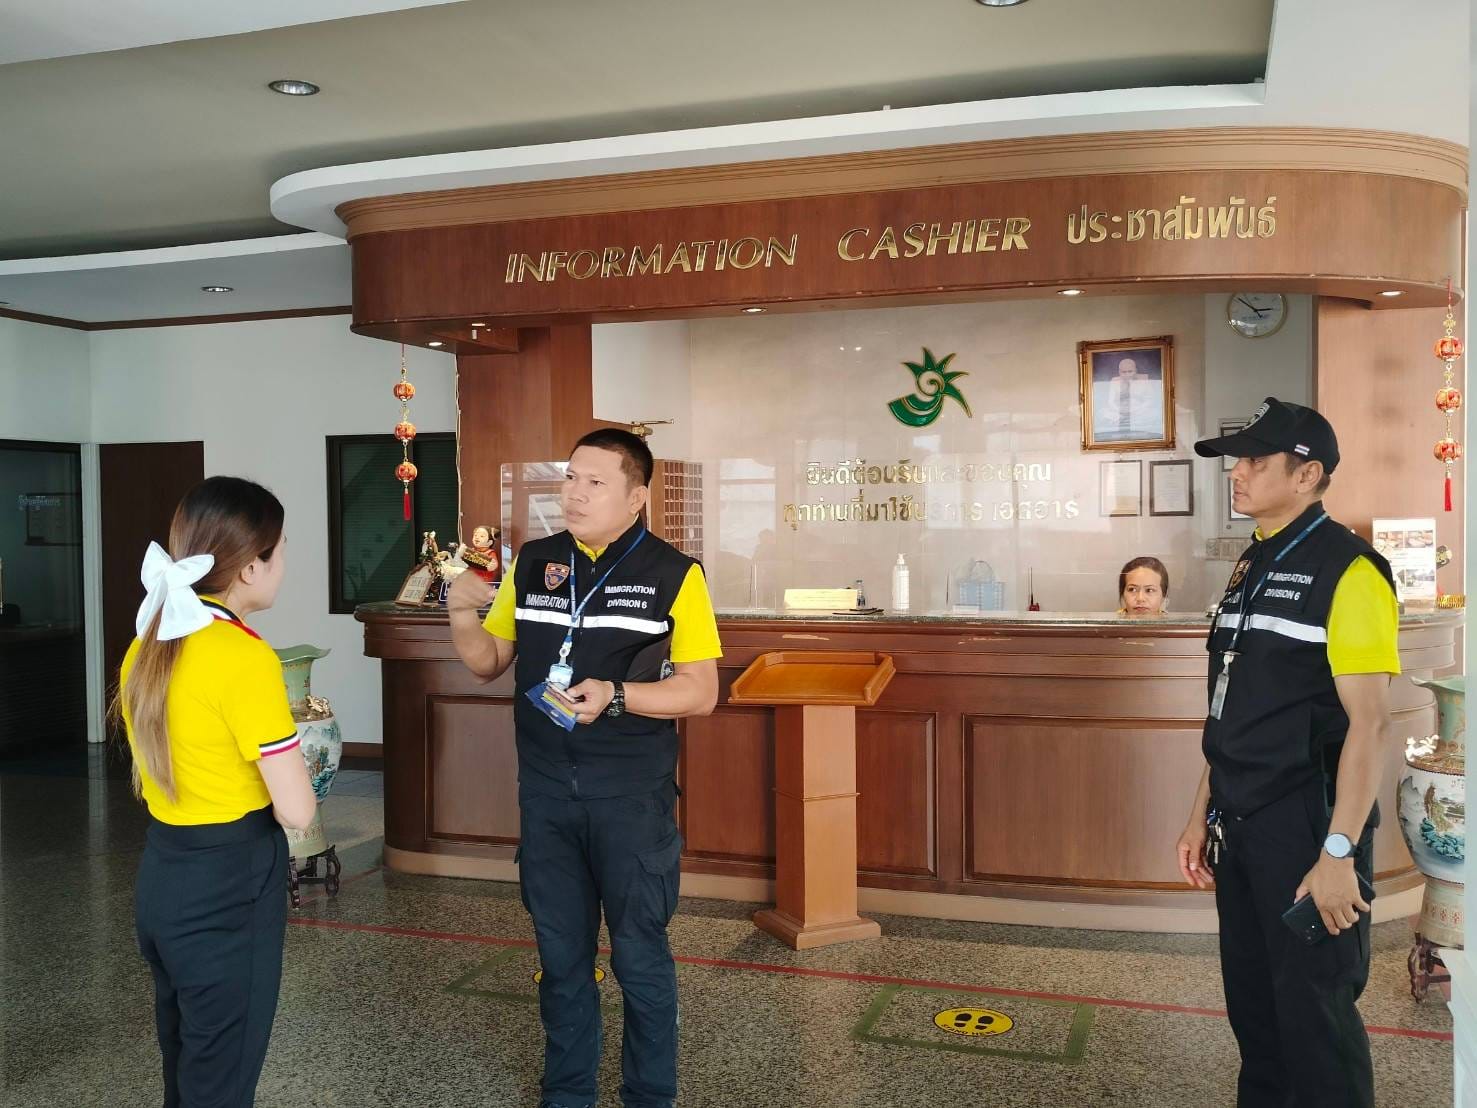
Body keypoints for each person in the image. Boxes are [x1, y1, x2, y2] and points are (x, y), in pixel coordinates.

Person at [446, 428, 722, 1108]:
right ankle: (566, 1094)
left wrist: (617, 695)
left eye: (595, 482)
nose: (574, 492)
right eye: (570, 477)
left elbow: (699, 692)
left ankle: (648, 1096)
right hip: (546, 794)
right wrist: (458, 613)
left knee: (638, 956)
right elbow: (488, 661)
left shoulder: (674, 575)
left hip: (630, 798)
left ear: (636, 497)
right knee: (560, 958)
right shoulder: (535, 562)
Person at [1175, 398, 1398, 1108]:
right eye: (1236, 461)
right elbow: (1234, 702)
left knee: (1314, 1018)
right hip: (1240, 820)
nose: (1235, 474)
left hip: (1308, 824)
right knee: (1256, 1013)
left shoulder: (1351, 571)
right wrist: (1200, 811)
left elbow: (1369, 726)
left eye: (1253, 460)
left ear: (1306, 474)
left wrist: (1337, 852)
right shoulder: (1252, 562)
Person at [114, 476, 316, 1108]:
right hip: (230, 885)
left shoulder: (145, 646)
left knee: (186, 1068)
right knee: (222, 1080)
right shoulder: (244, 657)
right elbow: (297, 809)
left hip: (163, 877)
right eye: (281, 549)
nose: (284, 563)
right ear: (252, 566)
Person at [1093, 354, 1164, 441]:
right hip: (1119, 412)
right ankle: (1125, 420)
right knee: (1101, 413)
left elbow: (1149, 400)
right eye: (1124, 372)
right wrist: (1119, 411)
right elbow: (1111, 401)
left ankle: (1126, 421)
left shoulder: (1144, 380)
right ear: (1119, 372)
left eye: (1130, 371)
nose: (1127, 374)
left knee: (1156, 413)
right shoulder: (1115, 381)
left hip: (1139, 411)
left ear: (1136, 371)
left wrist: (1136, 410)